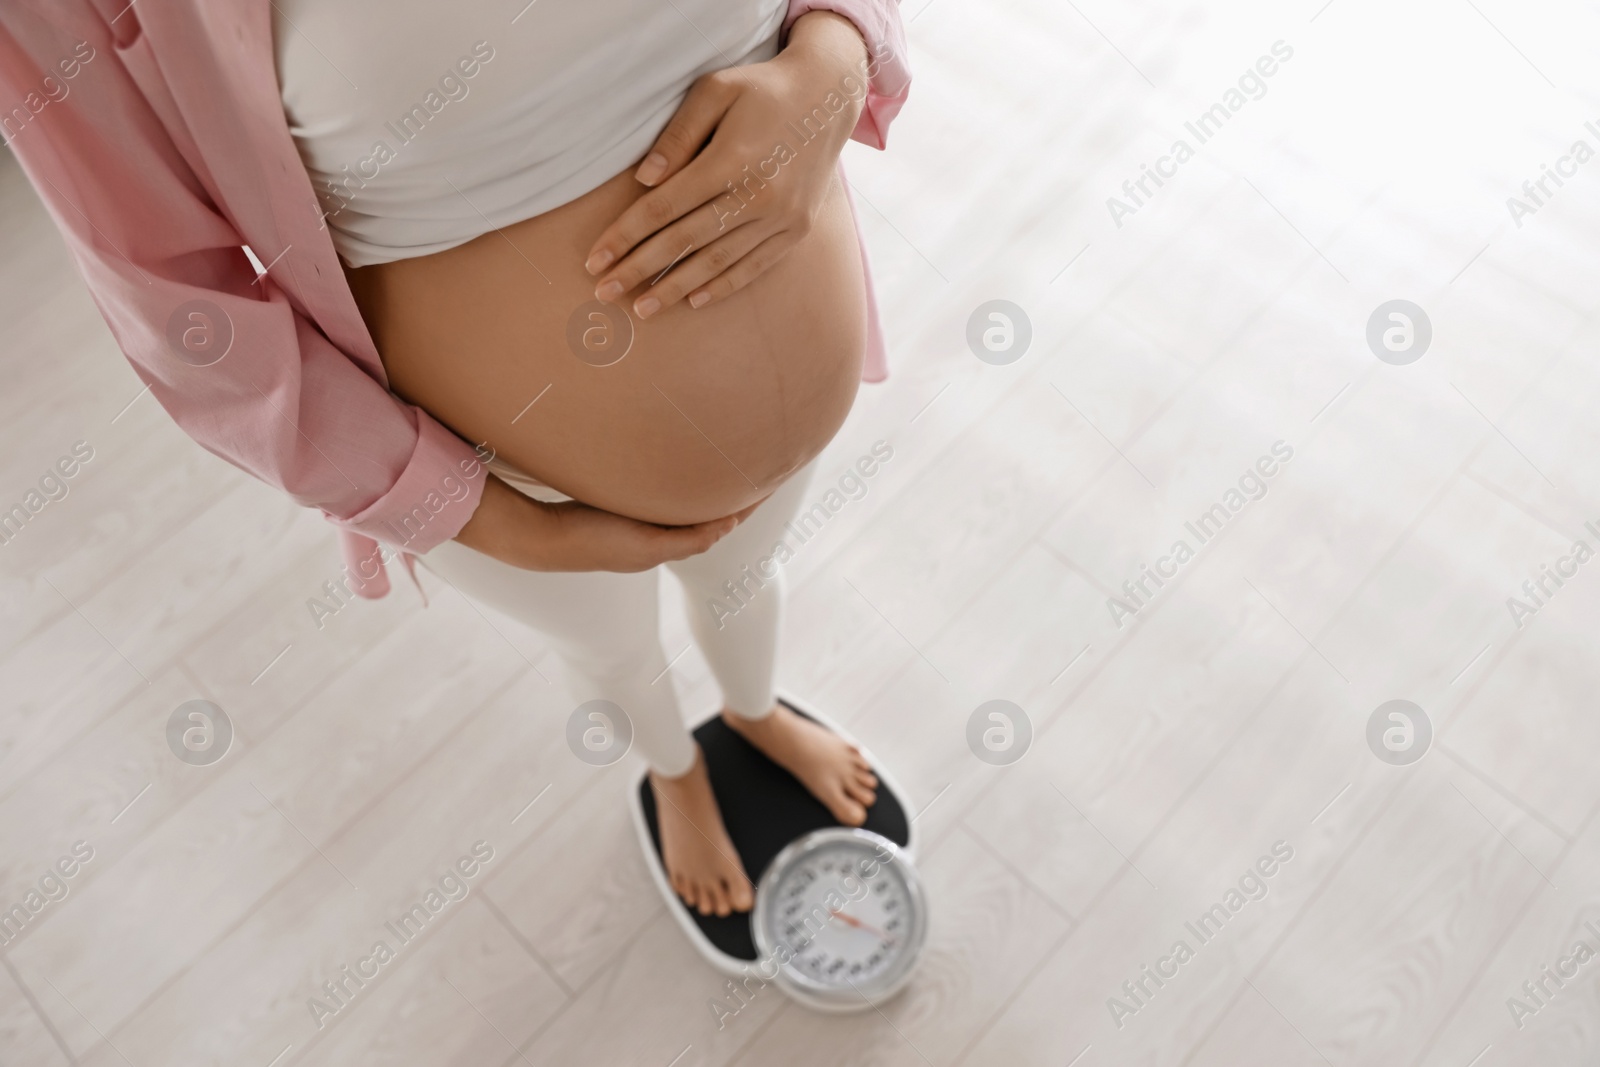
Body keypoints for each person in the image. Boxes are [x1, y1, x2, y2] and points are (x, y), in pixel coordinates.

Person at [0, 0, 909, 919]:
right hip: (505, 479)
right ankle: (674, 772)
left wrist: (837, 53)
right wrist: (481, 518)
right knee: (612, 648)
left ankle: (754, 710)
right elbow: (176, 303)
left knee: (745, 583)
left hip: (790, 374)